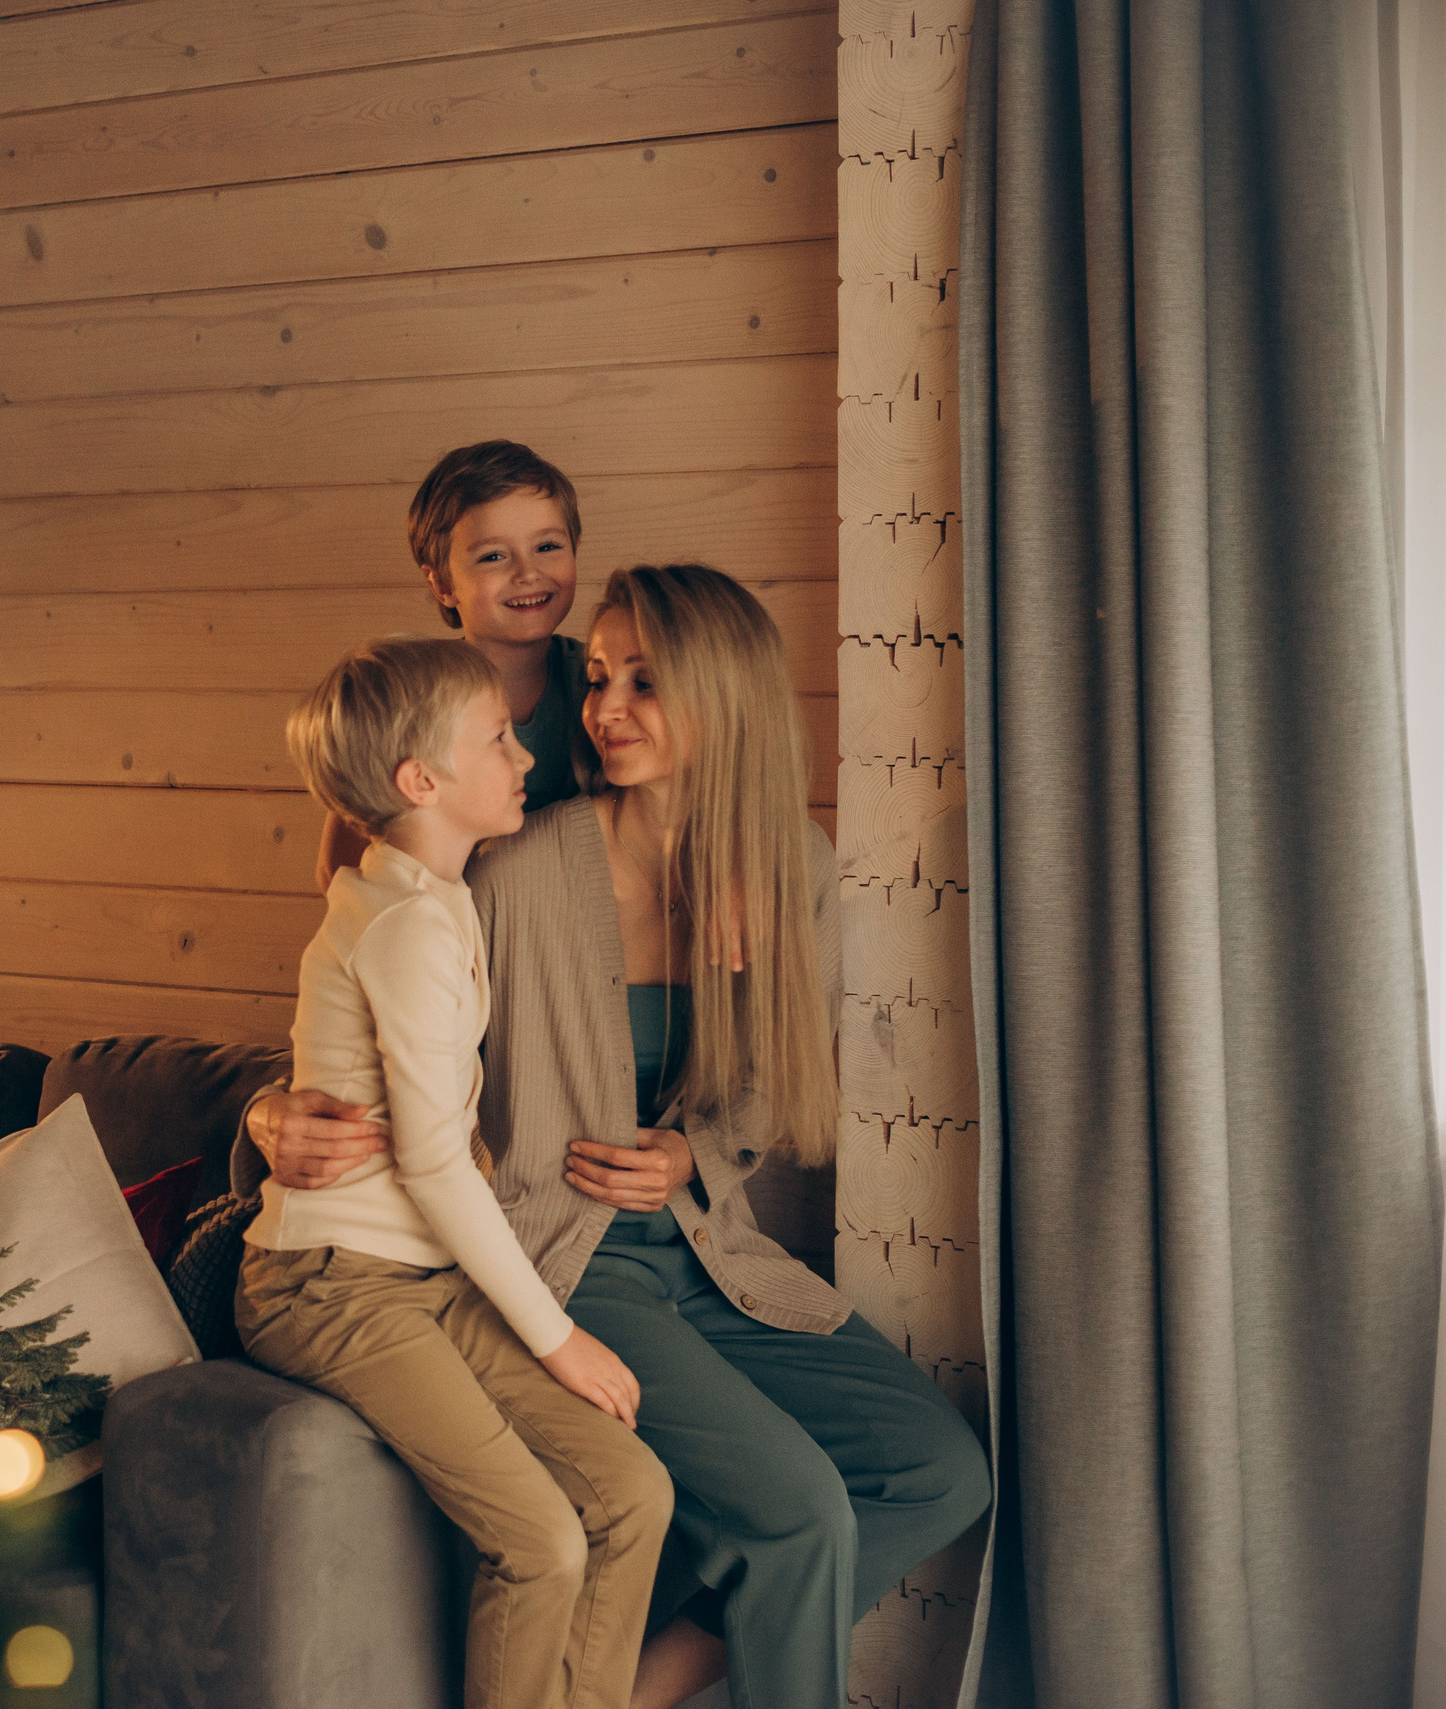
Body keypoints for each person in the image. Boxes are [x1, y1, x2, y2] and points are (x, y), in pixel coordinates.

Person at [244, 567, 991, 1709]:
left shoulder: (792, 862)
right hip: (562, 1259)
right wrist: (265, 1110)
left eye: (644, 680)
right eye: (597, 677)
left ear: (726, 695)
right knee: (796, 1509)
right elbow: (363, 990)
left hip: (710, 1253)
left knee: (937, 1470)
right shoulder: (515, 861)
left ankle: (636, 1689)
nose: (605, 708)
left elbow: (765, 1094)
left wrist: (696, 1151)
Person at [241, 635, 674, 1709]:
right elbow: (435, 1165)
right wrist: (557, 1337)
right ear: (418, 781)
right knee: (541, 1541)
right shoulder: (405, 927)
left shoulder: (430, 897)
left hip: (420, 1277)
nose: (525, 750)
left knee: (633, 1490)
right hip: (332, 1282)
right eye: (497, 738)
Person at [316, 439, 596, 888]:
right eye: (493, 556)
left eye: (548, 547)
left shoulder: (604, 681)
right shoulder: (411, 696)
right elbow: (341, 869)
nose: (527, 572)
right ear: (442, 583)